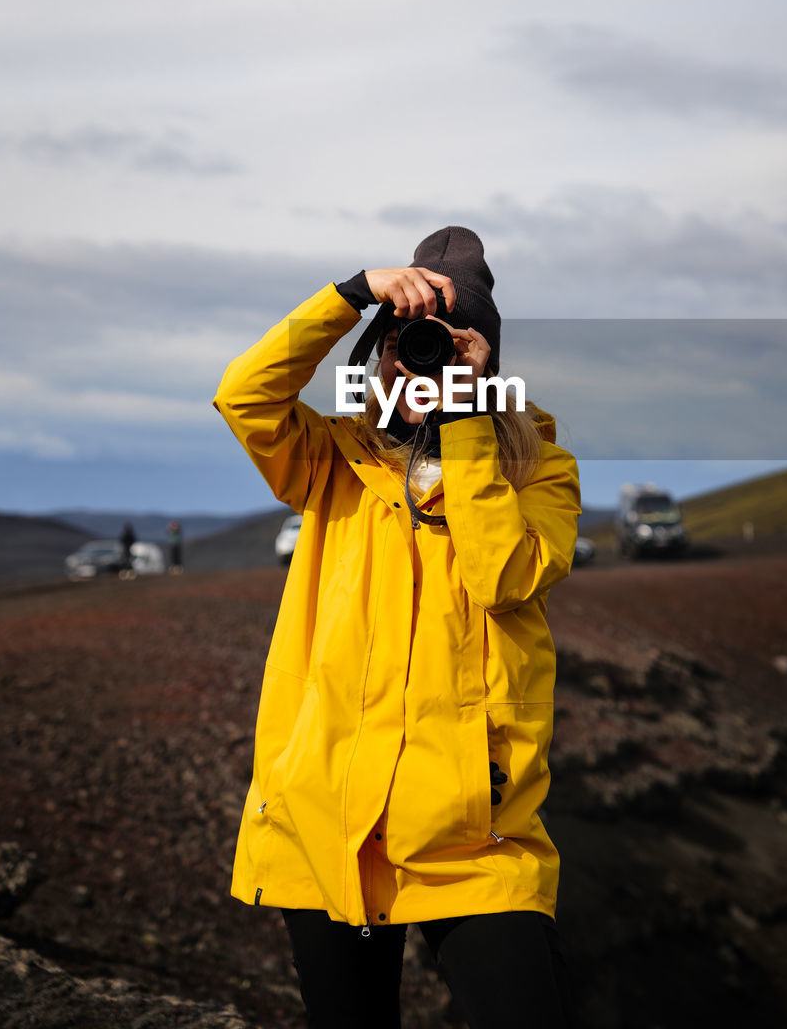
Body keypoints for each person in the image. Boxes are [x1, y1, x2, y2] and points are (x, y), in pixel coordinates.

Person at [213, 227, 581, 1028]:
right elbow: (243, 395)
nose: (419, 364)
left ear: (486, 366)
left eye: (449, 348)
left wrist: (464, 423)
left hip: (476, 840)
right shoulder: (330, 458)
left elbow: (504, 576)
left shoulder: (538, 468)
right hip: (329, 823)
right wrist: (347, 296)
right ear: (378, 353)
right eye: (404, 345)